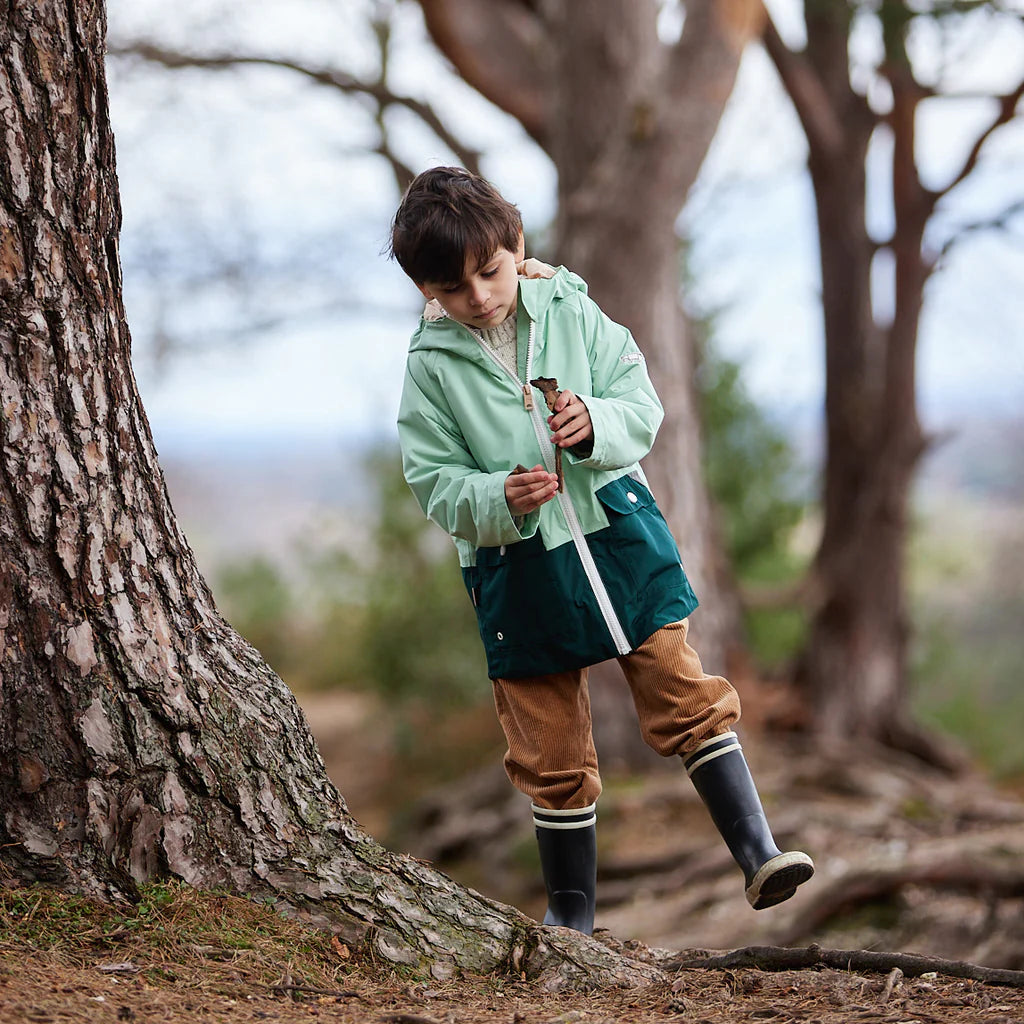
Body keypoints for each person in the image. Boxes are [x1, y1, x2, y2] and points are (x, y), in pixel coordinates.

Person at [389, 166, 813, 935]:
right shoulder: (429, 369)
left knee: (681, 685)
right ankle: (572, 915)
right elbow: (433, 479)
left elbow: (641, 403)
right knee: (546, 741)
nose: (479, 298)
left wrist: (595, 423)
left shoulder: (572, 310)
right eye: (453, 289)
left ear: (515, 247)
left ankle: (759, 854)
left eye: (489, 273)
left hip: (617, 534)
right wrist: (495, 500)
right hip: (515, 566)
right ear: (426, 290)